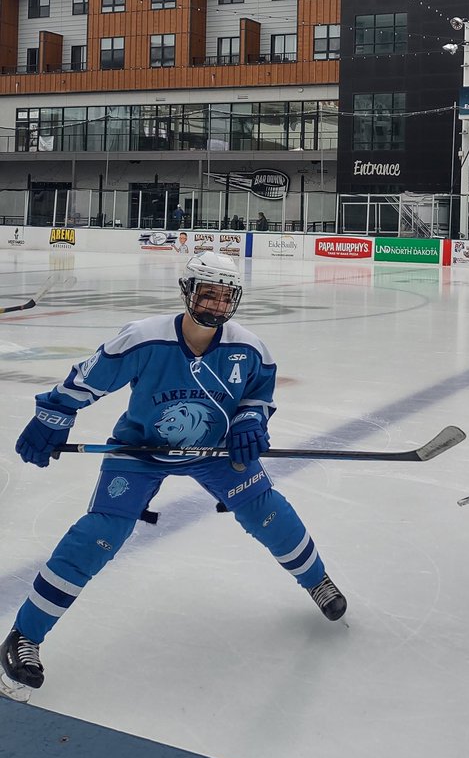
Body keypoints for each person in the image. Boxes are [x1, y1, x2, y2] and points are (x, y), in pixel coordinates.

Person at [0, 252, 346, 700]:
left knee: (267, 511)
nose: (217, 304)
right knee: (99, 534)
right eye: (208, 293)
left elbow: (259, 395)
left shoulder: (249, 347)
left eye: (226, 296)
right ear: (187, 291)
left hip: (215, 450)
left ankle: (316, 580)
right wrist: (54, 416)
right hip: (141, 449)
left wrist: (248, 423)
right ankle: (24, 636)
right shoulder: (144, 339)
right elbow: (88, 379)